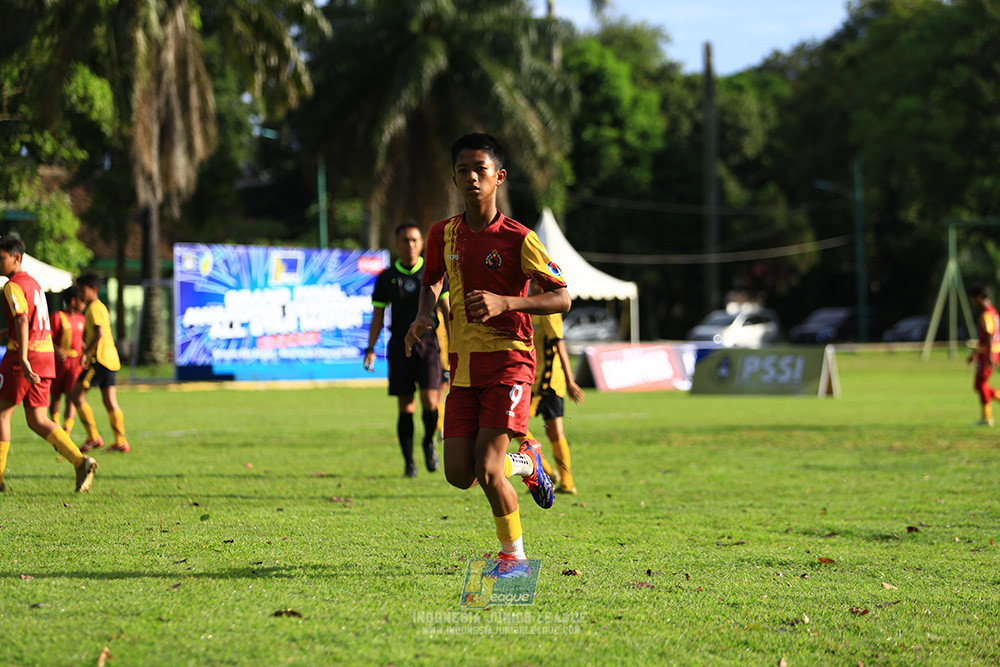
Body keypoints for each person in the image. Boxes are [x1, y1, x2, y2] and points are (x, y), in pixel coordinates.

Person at [404, 132, 570, 573]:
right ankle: (529, 461)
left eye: (481, 170)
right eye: (463, 170)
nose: (472, 177)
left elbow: (562, 298)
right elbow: (431, 281)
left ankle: (513, 558)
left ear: (499, 177)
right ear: (454, 179)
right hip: (462, 368)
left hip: (510, 362)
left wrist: (508, 302)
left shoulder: (520, 238)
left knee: (490, 469)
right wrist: (423, 317)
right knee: (459, 474)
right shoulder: (443, 234)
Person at [0, 236, 96, 493]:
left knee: (2, 413)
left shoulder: (11, 285)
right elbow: (30, 320)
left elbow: (21, 320)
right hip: (45, 357)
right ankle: (80, 460)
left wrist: (20, 357)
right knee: (38, 419)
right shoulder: (34, 283)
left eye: (1, 259)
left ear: (16, 258)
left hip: (24, 357)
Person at [364, 221, 448, 477]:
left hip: (429, 344)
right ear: (397, 244)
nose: (410, 245)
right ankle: (409, 462)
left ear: (421, 244)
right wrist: (370, 348)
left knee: (429, 401)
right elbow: (378, 315)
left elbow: (448, 312)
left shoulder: (434, 273)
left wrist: (455, 346)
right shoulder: (387, 277)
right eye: (405, 240)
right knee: (406, 405)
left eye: (414, 240)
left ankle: (428, 442)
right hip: (400, 346)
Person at [524, 305, 585, 494]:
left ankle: (552, 475)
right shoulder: (530, 308)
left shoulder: (548, 311)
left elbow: (560, 346)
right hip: (538, 381)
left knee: (513, 426)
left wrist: (570, 381)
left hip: (546, 383)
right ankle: (562, 480)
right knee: (553, 433)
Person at [73, 272, 129, 453]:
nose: (80, 293)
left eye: (83, 290)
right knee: (110, 401)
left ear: (94, 290)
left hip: (99, 360)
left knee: (76, 396)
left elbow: (99, 334)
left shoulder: (94, 307)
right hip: (110, 359)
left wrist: (86, 352)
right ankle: (120, 441)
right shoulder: (100, 307)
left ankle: (93, 437)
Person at [49, 287, 86, 435]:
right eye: (81, 301)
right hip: (59, 364)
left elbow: (79, 342)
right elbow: (47, 339)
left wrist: (87, 352)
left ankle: (67, 430)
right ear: (72, 301)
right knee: (56, 397)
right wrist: (55, 349)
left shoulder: (81, 319)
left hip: (76, 364)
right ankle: (55, 425)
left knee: (71, 396)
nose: (84, 304)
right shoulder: (58, 317)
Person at [968, 282, 1000, 426]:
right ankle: (986, 418)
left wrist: (989, 358)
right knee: (979, 385)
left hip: (989, 353)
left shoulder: (986, 313)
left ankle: (987, 418)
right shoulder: (992, 311)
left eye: (973, 299)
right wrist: (976, 354)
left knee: (981, 385)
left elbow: (989, 336)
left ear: (979, 298)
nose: (972, 302)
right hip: (987, 352)